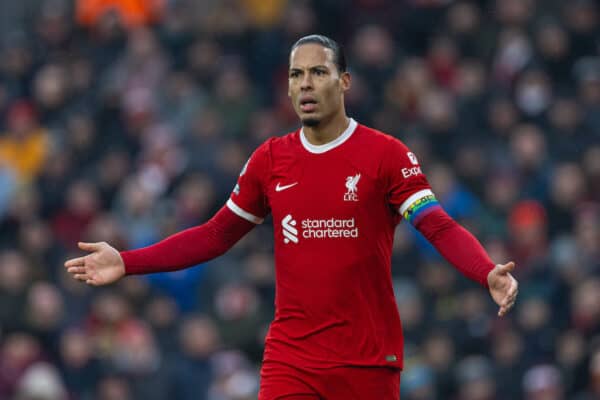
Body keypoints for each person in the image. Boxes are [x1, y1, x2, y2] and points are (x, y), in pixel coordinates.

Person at [65, 35, 519, 399]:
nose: (305, 83)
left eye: (318, 72)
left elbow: (437, 224)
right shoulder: (270, 159)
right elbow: (216, 234)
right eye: (296, 74)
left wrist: (486, 273)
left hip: (366, 357)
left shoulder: (386, 155)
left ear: (344, 81)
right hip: (292, 356)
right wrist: (128, 261)